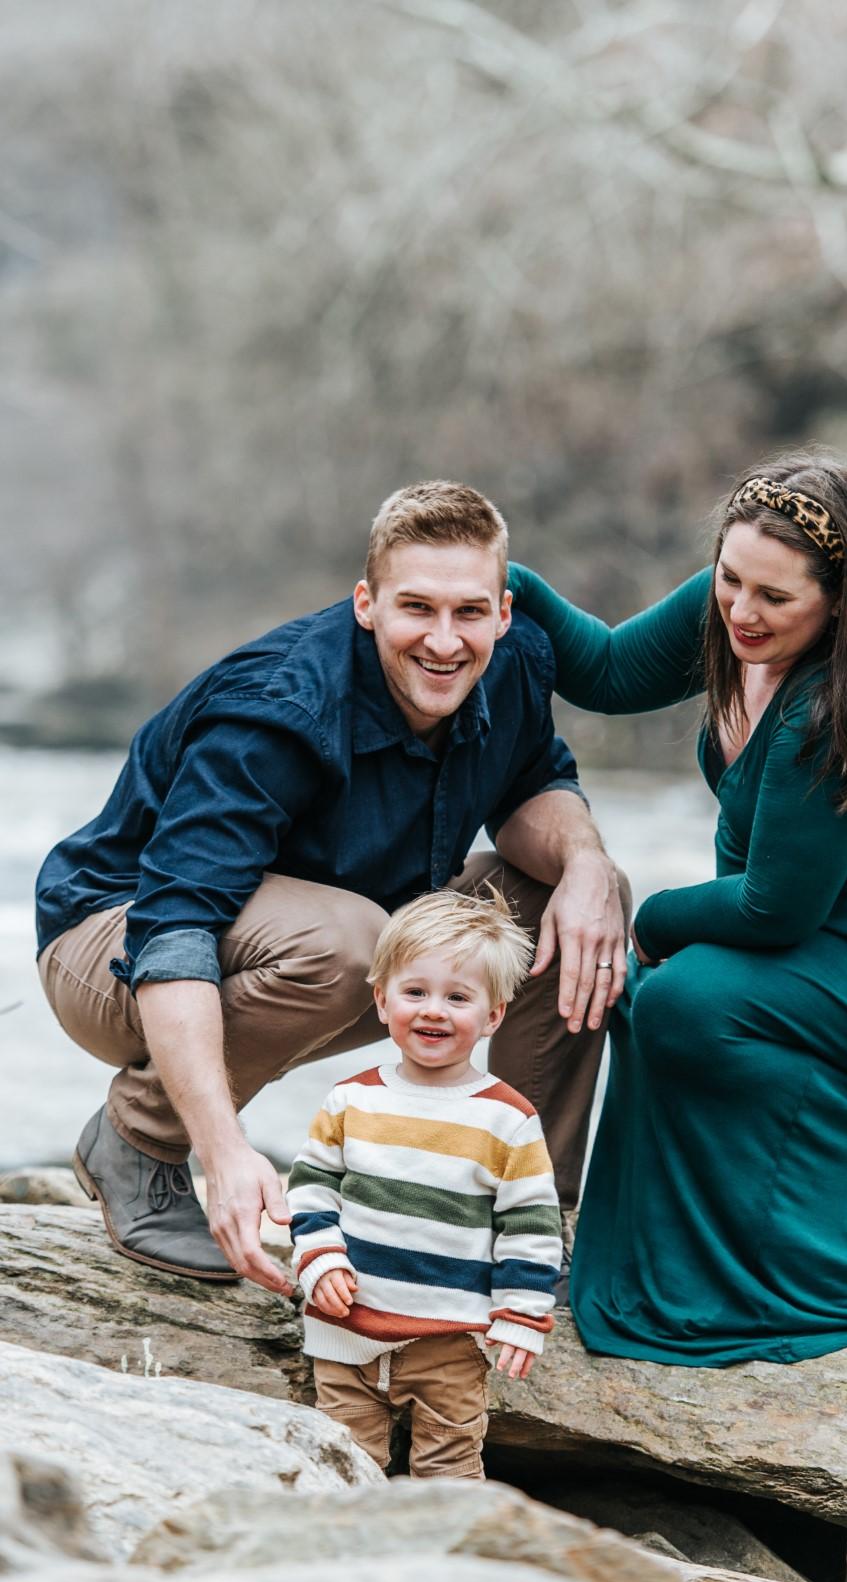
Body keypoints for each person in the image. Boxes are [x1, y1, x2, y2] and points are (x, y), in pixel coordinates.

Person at [507, 447, 847, 1367]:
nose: (741, 611)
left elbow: (772, 911)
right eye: (730, 580)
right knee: (665, 1001)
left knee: (679, 1002)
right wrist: (502, 579)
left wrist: (640, 918)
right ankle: (701, 1246)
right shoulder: (733, 599)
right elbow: (606, 671)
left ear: (840, 600)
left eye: (774, 597)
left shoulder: (843, 703)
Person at [35, 481, 628, 1291]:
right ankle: (136, 1139)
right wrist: (223, 1150)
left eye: (469, 612)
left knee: (571, 898)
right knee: (351, 941)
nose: (445, 641)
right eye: (416, 608)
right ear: (366, 604)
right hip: (113, 942)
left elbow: (533, 790)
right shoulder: (279, 708)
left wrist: (589, 863)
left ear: (504, 609)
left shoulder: (516, 659)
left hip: (337, 932)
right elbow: (175, 928)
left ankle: (517, 1218)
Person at [287, 887, 560, 1479]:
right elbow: (311, 1189)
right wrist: (319, 1259)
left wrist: (522, 1314)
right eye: (416, 992)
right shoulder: (351, 1099)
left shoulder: (507, 1119)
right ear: (383, 1001)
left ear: (492, 1016)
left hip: (450, 1341)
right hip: (347, 1328)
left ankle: (447, 1567)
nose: (434, 1010)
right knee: (344, 1467)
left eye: (457, 997)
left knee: (450, 1469)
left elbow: (531, 1227)